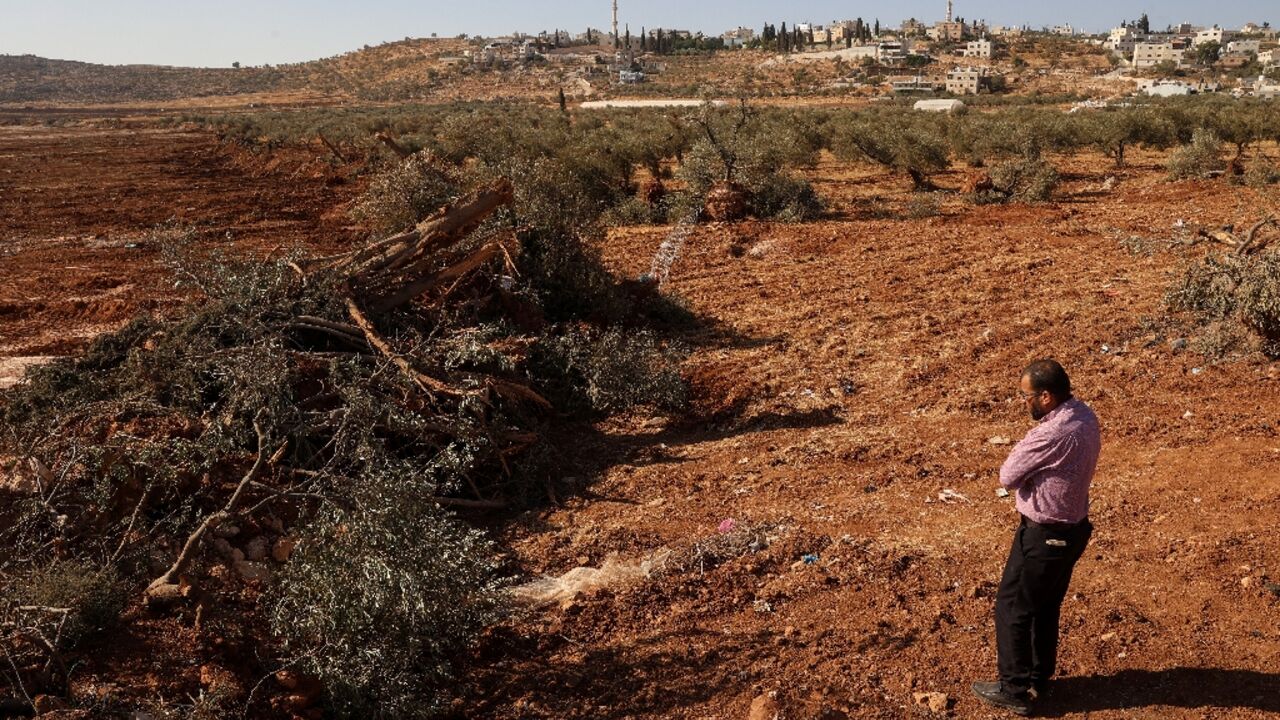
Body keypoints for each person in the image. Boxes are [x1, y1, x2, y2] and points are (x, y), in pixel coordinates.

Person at [972, 359, 1100, 715]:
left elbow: (1008, 475)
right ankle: (1038, 678)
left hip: (1044, 536)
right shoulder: (1085, 416)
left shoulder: (1050, 434)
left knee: (1013, 607)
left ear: (1046, 396)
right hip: (1073, 531)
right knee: (1044, 606)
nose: (1022, 402)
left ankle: (1013, 688)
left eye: (1025, 396)